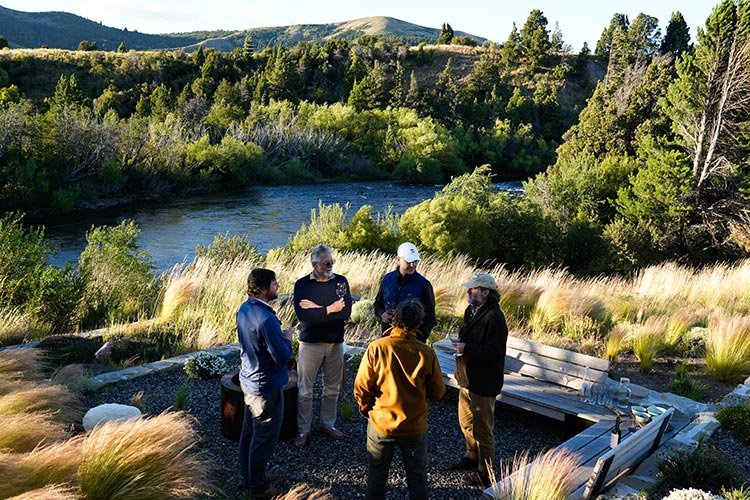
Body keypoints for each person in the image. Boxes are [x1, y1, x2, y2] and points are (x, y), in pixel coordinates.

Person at [354, 300, 446, 500]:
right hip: (414, 425)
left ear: (394, 320)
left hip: (381, 423)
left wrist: (367, 410)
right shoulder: (426, 353)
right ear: (419, 324)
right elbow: (438, 391)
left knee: (376, 476)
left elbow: (361, 387)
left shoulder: (377, 348)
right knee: (417, 477)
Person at [237, 268, 293, 499]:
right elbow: (282, 356)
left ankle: (250, 475)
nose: (277, 286)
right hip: (265, 387)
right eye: (274, 283)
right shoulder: (266, 319)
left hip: (249, 381)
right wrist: (287, 338)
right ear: (262, 288)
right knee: (264, 439)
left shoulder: (244, 308)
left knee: (249, 433)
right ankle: (258, 488)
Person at [448, 273, 508, 488]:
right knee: (466, 422)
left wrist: (467, 348)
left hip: (484, 382)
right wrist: (460, 344)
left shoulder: (495, 318)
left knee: (483, 429)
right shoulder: (471, 311)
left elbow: (496, 352)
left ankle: (486, 472)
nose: (468, 292)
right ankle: (472, 456)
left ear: (485, 291)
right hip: (467, 378)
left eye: (472, 289)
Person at [293, 244, 352, 448]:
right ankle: (303, 429)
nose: (330, 266)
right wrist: (330, 308)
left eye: (332, 262)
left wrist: (317, 308)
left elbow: (345, 313)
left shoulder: (340, 282)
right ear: (314, 264)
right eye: (327, 262)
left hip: (335, 343)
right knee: (305, 390)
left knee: (332, 388)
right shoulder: (302, 285)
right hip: (310, 344)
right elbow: (303, 315)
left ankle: (328, 424)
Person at [373, 242, 436, 342]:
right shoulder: (387, 279)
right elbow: (377, 303)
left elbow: (430, 317)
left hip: (412, 342)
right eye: (409, 261)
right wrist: (382, 314)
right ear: (398, 259)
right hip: (388, 339)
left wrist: (419, 338)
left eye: (415, 261)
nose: (413, 265)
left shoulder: (424, 284)